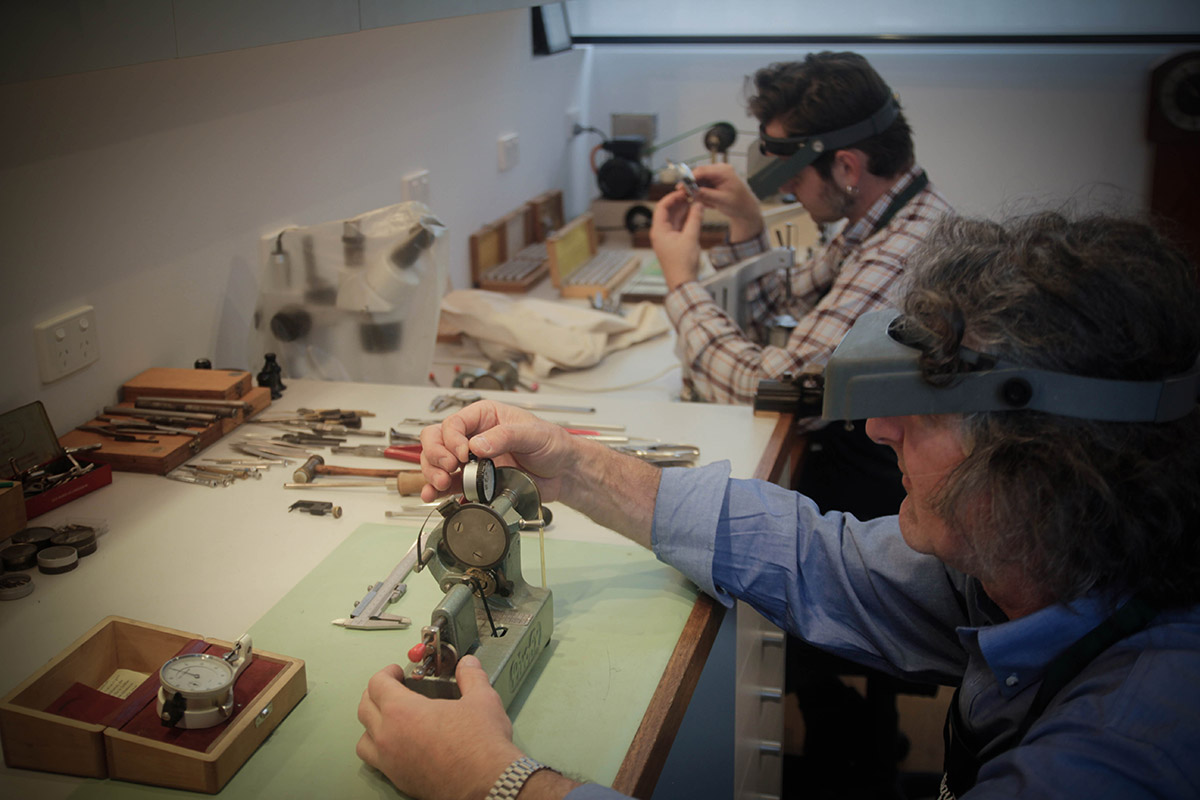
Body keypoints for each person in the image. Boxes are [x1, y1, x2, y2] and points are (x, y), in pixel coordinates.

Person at [357, 212, 1200, 799]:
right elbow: (818, 559)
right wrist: (568, 465)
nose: (878, 427)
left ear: (1047, 465)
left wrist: (494, 784)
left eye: (926, 411)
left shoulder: (1131, 746)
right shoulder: (1045, 566)